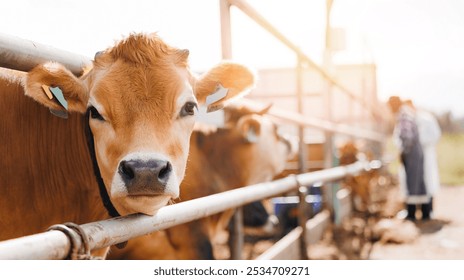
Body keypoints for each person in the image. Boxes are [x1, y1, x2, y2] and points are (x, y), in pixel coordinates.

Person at [388, 96, 429, 220]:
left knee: (412, 180)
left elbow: (408, 137)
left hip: (412, 152)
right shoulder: (406, 113)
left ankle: (411, 214)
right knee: (418, 180)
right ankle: (424, 213)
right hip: (415, 150)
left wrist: (403, 151)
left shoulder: (403, 115)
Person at [408, 100, 441, 217]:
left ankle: (427, 211)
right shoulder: (406, 120)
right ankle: (412, 212)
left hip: (426, 155)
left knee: (427, 181)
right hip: (412, 158)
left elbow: (435, 135)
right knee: (412, 184)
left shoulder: (426, 118)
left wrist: (418, 142)